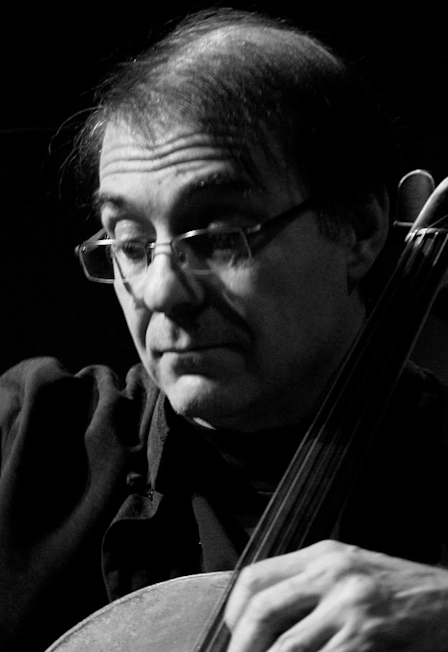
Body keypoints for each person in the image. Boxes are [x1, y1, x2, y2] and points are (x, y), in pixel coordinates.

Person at [1, 7, 448, 652]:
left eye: (216, 237)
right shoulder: (30, 438)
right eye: (131, 246)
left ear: (360, 229)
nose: (160, 292)